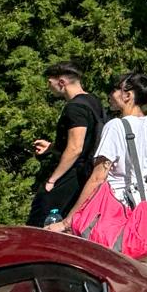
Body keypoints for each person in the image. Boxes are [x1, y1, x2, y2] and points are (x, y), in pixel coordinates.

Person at [50, 72, 147, 254]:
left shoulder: (116, 126)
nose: (110, 95)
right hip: (142, 208)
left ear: (127, 95)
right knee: (131, 262)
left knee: (105, 261)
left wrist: (68, 221)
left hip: (112, 209)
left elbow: (98, 177)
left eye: (115, 90)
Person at [27, 62, 103, 227]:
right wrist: (52, 147)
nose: (48, 86)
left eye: (50, 82)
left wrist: (52, 180)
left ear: (61, 82)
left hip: (70, 176)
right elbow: (87, 139)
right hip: (84, 174)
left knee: (41, 223)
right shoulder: (93, 101)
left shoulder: (75, 108)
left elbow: (75, 148)